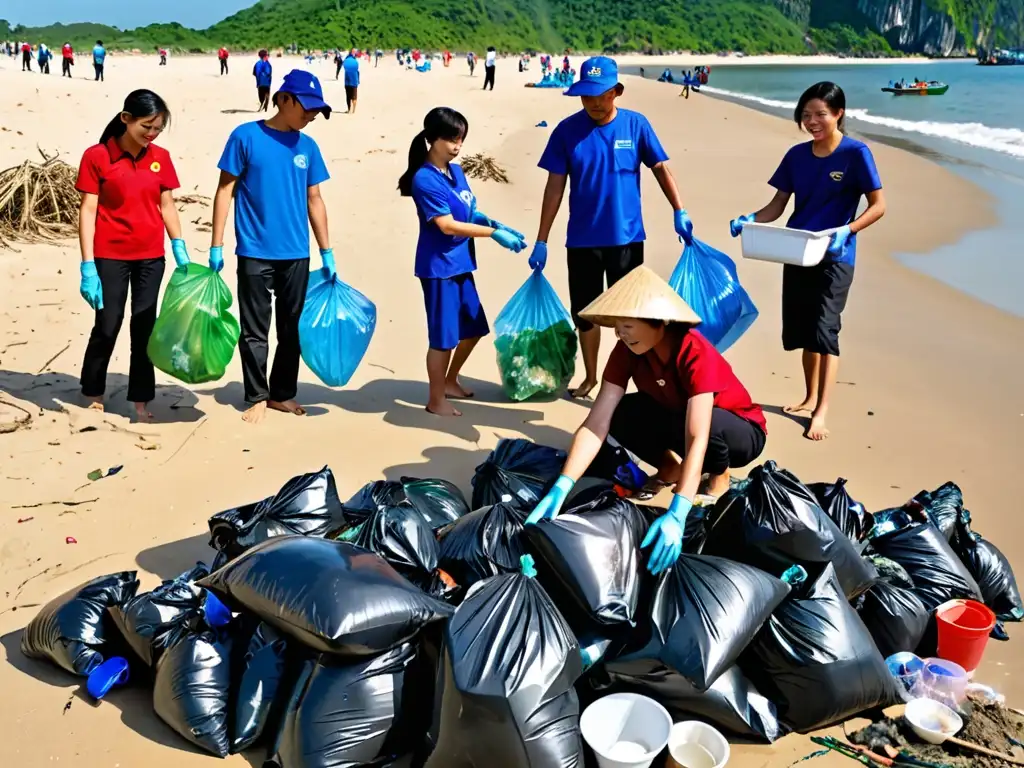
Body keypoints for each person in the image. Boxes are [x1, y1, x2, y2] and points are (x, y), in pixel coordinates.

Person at [524, 267, 767, 575]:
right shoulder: (626, 350)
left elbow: (697, 437)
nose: (620, 334)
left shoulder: (694, 351)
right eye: (616, 326)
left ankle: (720, 475)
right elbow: (596, 421)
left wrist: (678, 511)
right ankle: (668, 467)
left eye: (628, 325)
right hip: (678, 416)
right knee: (623, 412)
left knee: (710, 427)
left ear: (660, 323)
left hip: (739, 429)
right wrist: (563, 484)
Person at [730, 82, 885, 441]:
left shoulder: (855, 154)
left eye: (820, 115)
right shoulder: (797, 156)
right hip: (798, 251)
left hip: (835, 255)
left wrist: (849, 229)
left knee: (824, 331)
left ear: (839, 114)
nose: (812, 121)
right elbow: (778, 205)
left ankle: (821, 411)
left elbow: (879, 206)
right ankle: (809, 395)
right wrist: (749, 218)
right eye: (806, 114)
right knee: (803, 331)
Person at [530, 56, 691, 400]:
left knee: (632, 317)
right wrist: (541, 239)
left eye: (602, 95)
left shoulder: (636, 126)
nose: (595, 103)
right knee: (585, 314)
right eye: (587, 96)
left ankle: (636, 383)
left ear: (617, 91)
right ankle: (590, 377)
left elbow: (660, 168)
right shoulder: (566, 132)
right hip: (583, 240)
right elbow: (554, 187)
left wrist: (679, 210)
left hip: (627, 239)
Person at [210, 70, 334, 425]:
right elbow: (224, 191)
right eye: (306, 108)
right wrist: (217, 244)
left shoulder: (308, 147)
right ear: (284, 99)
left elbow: (315, 199)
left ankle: (282, 393)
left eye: (316, 111)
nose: (310, 116)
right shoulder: (245, 136)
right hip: (254, 250)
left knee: (292, 328)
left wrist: (326, 251)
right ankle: (256, 395)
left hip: (296, 252)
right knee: (254, 329)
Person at [398, 107, 528, 417]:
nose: (457, 147)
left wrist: (489, 220)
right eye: (452, 140)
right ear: (432, 139)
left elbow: (465, 211)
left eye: (461, 140)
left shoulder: (456, 172)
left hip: (462, 263)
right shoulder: (424, 179)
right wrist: (492, 233)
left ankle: (450, 379)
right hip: (439, 266)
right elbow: (446, 225)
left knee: (473, 327)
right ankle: (436, 399)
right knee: (443, 338)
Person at [75, 89, 189, 422]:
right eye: (145, 127)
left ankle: (141, 398)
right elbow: (87, 210)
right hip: (110, 256)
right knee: (107, 325)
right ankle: (92, 390)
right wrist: (87, 266)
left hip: (151, 257)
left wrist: (178, 245)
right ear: (126, 120)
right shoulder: (97, 156)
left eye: (157, 129)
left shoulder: (161, 157)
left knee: (145, 327)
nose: (151, 135)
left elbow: (166, 204)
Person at [342, 50, 360, 114]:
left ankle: (349, 110)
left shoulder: (346, 60)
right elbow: (357, 72)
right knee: (354, 96)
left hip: (347, 81)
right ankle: (353, 110)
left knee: (348, 97)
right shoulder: (355, 62)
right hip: (354, 82)